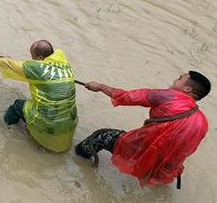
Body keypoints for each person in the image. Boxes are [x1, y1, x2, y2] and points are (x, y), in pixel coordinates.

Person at [75, 71, 210, 188]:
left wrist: (99, 86)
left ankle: (77, 158)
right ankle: (158, 186)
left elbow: (126, 96)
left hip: (146, 151)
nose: (175, 80)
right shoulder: (202, 121)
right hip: (168, 165)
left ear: (187, 89)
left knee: (102, 137)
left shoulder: (168, 96)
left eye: (180, 78)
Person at [0, 40, 78, 152]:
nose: (31, 58)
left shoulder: (37, 68)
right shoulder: (65, 65)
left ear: (39, 57)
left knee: (17, 106)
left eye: (32, 56)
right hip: (69, 123)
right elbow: (23, 66)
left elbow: (16, 66)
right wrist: (9, 59)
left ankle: (4, 127)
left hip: (48, 122)